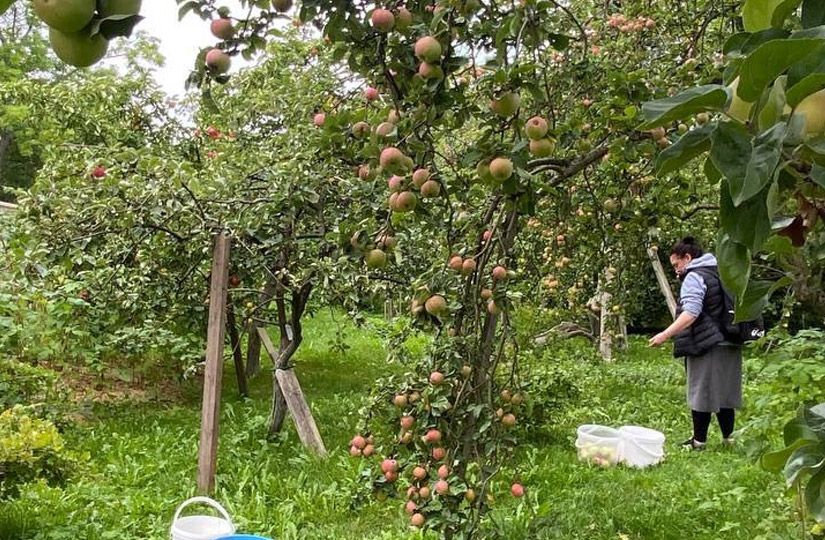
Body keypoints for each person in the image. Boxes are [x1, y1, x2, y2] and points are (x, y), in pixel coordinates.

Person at [649, 237, 742, 450]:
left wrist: (665, 334)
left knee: (702, 392)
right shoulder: (721, 271)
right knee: (725, 393)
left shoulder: (695, 277)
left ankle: (698, 442)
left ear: (688, 258)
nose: (676, 270)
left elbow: (691, 312)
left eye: (676, 265)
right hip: (731, 339)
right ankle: (729, 439)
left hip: (707, 343)